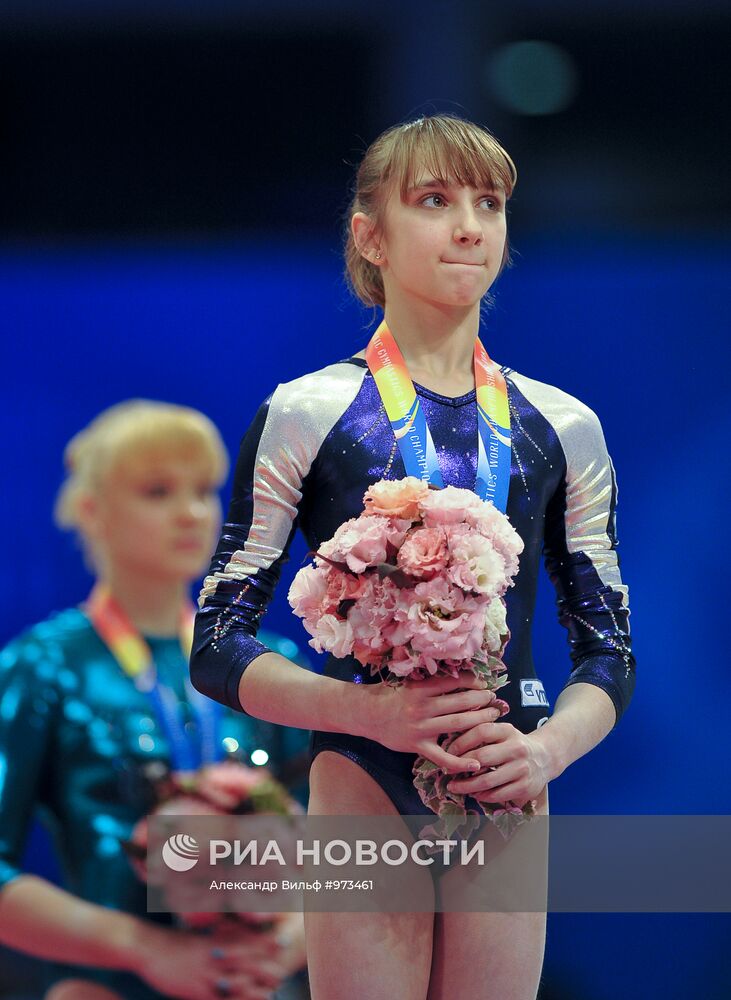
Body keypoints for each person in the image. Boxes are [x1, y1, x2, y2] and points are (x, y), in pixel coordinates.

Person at [190, 115, 635, 1000]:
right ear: (370, 236)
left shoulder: (563, 425)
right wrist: (371, 717)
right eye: (433, 201)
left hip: (504, 780)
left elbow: (609, 648)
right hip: (361, 776)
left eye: (489, 202)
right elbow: (216, 639)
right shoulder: (308, 411)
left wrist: (544, 754)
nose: (469, 225)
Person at [0, 400, 311, 1000]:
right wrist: (144, 948)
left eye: (204, 490)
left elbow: (358, 844)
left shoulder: (269, 665)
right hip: (108, 988)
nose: (192, 513)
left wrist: (291, 941)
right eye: (158, 491)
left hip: (260, 983)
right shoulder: (46, 665)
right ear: (92, 510)